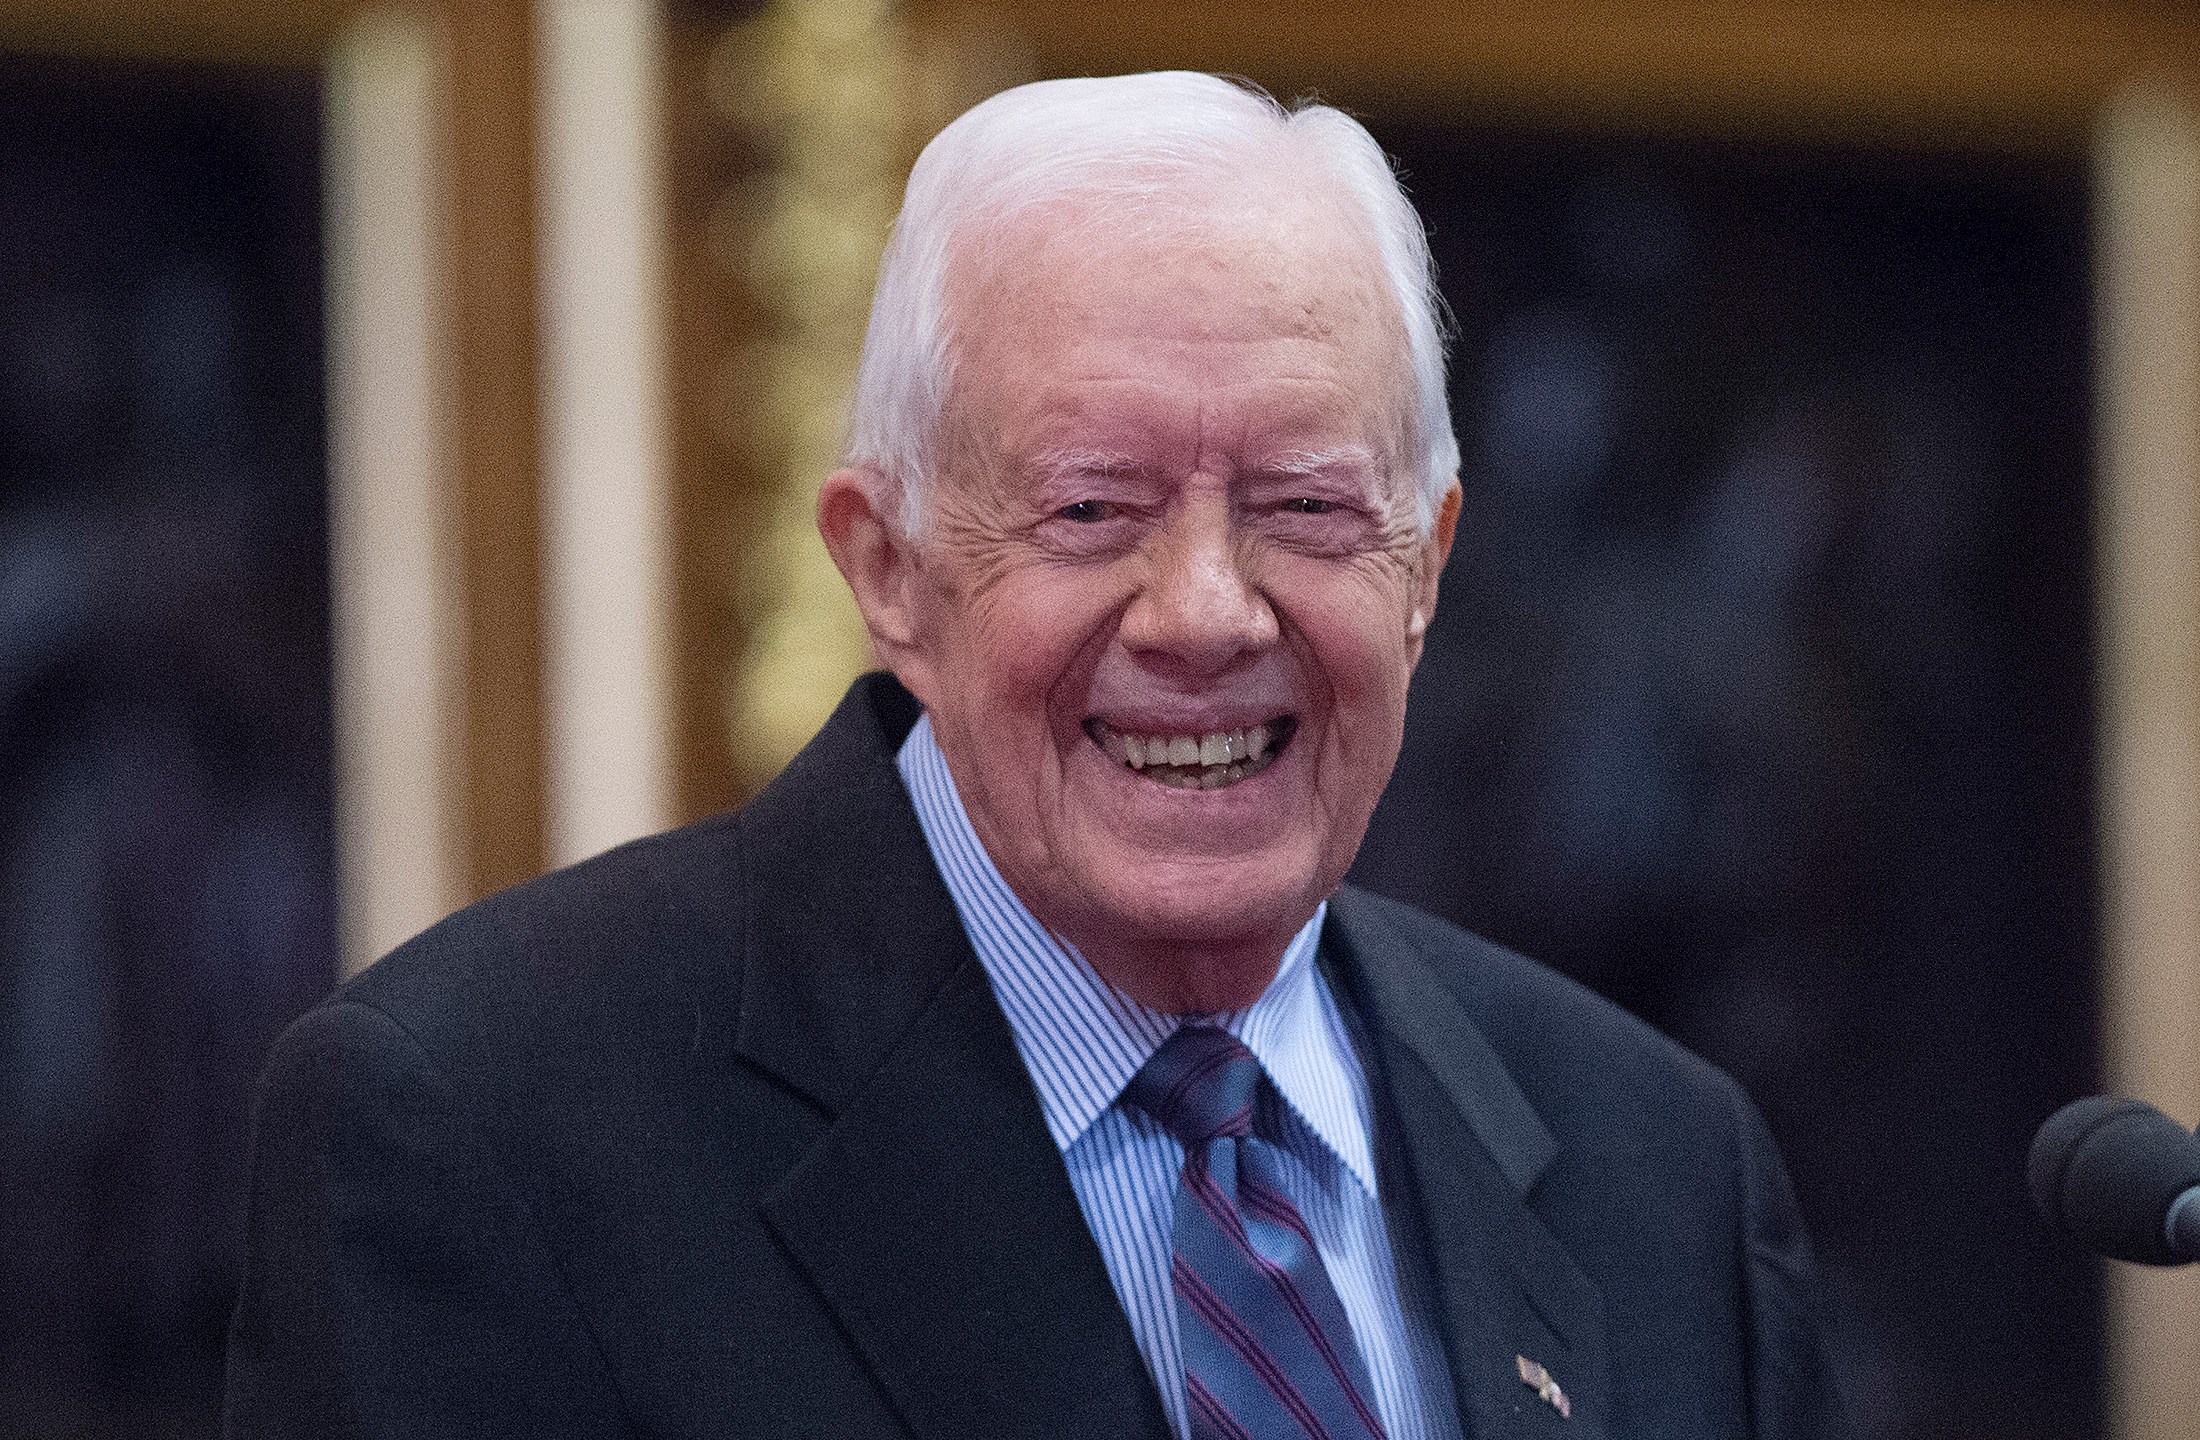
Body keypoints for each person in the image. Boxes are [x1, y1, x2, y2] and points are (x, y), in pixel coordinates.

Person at [224, 72, 1841, 1439]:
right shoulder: (481, 1134)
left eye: (1305, 509)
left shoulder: (1663, 1174)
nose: (1206, 613)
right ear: (888, 570)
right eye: (1090, 509)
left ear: (1426, 568)